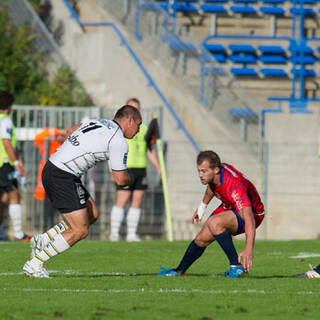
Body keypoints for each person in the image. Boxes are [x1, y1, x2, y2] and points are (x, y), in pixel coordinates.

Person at [22, 105, 142, 278]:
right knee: (80, 230)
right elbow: (120, 179)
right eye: (138, 125)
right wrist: (132, 178)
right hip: (62, 175)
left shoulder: (100, 122)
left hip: (56, 168)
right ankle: (34, 264)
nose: (138, 130)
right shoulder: (118, 141)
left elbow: (70, 130)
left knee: (92, 213)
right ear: (130, 120)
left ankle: (43, 240)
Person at [157, 150, 265, 278]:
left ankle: (236, 266)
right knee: (201, 238)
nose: (200, 175)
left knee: (214, 222)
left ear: (216, 170)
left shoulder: (234, 186)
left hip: (254, 214)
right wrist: (202, 207)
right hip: (230, 205)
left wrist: (248, 249)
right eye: (199, 171)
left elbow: (249, 219)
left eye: (204, 171)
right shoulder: (217, 174)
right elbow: (212, 186)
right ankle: (180, 270)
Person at [109, 98, 161, 242]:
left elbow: (149, 150)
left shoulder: (143, 128)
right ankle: (114, 233)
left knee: (137, 201)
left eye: (136, 108)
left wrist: (158, 166)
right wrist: (112, 169)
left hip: (141, 168)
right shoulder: (120, 129)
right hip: (125, 167)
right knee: (122, 199)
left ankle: (132, 234)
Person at [0, 91, 31, 242]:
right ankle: (19, 233)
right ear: (8, 106)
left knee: (3, 198)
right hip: (4, 164)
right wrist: (17, 163)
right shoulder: (5, 120)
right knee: (14, 195)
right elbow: (7, 143)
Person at [34, 127, 67, 230]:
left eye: (63, 135)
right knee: (47, 211)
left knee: (62, 211)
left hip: (61, 184)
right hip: (47, 184)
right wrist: (58, 130)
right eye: (59, 135)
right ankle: (46, 229)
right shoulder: (48, 144)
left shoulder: (66, 147)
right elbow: (38, 137)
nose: (61, 137)